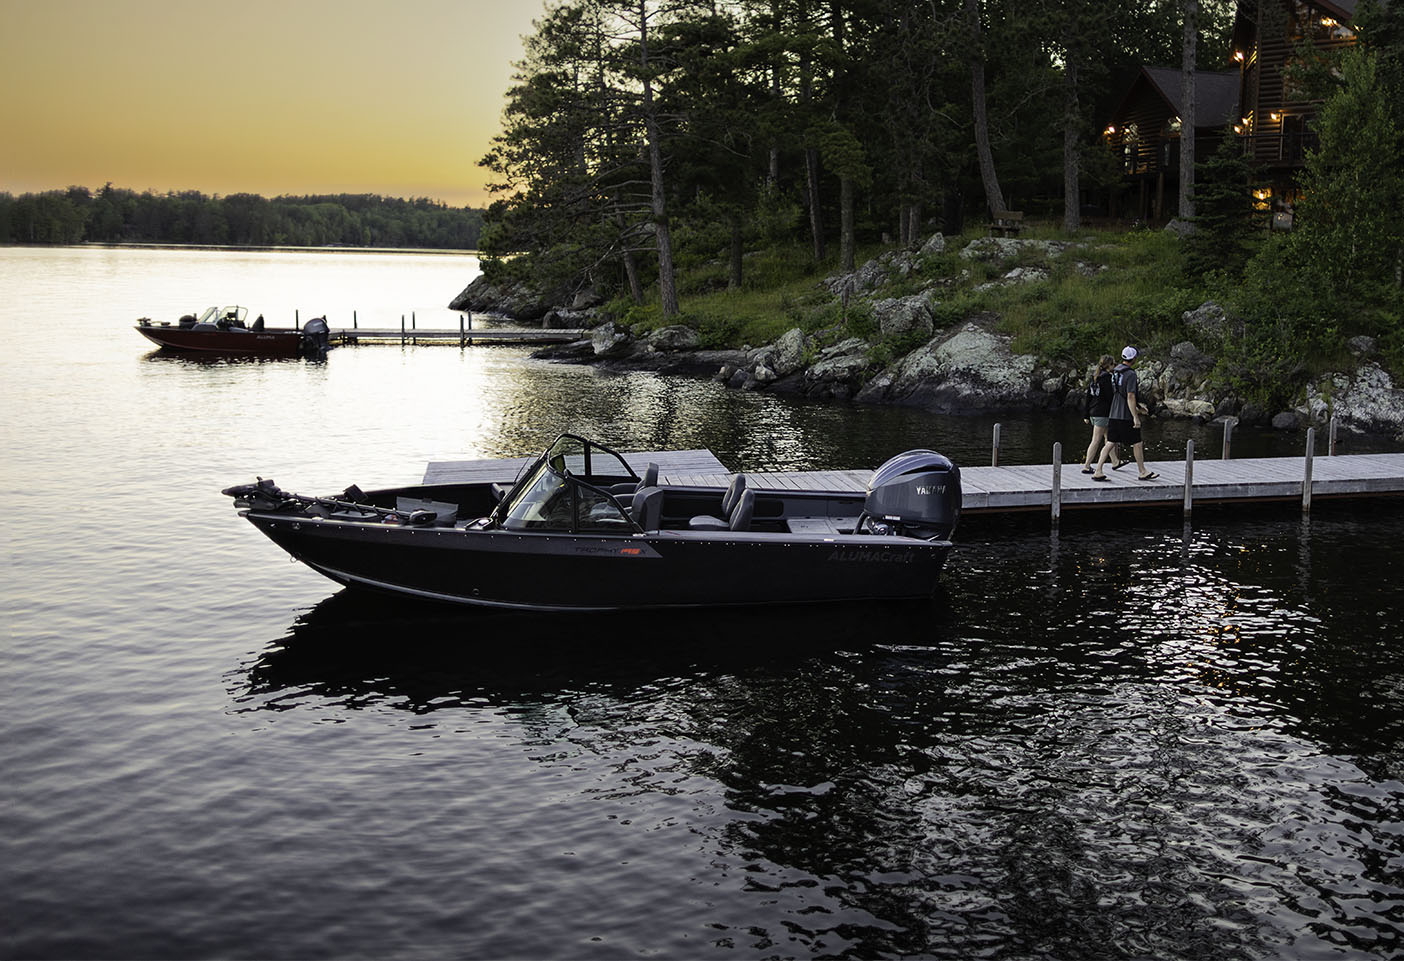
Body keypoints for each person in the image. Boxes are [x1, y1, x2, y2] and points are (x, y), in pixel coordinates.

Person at [1091, 345, 1159, 481]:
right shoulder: (1130, 374)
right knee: (1137, 443)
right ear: (1133, 359)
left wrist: (1138, 407)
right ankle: (1142, 471)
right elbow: (1130, 396)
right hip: (1125, 415)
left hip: (1113, 413)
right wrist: (1136, 416)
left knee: (1110, 442)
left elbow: (1119, 393)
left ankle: (1098, 470)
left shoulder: (1115, 372)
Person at [1080, 354, 1123, 473]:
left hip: (1094, 411)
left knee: (1108, 437)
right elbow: (1109, 397)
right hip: (1102, 413)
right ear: (1108, 365)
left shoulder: (1094, 377)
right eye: (1113, 364)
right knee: (1096, 439)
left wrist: (1086, 414)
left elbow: (1088, 396)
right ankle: (1087, 465)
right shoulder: (1106, 379)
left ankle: (1115, 461)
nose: (1114, 367)